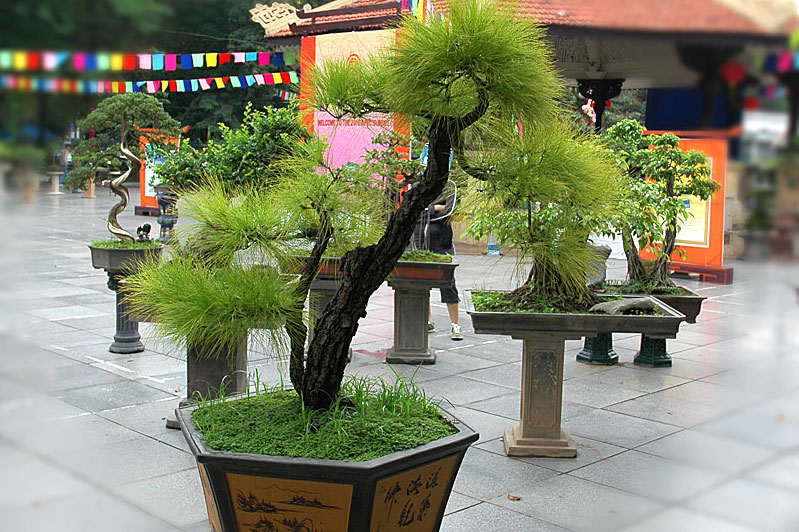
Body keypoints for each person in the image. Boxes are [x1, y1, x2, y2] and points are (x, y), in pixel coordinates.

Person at [412, 180, 463, 341]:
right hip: (420, 238)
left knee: (448, 281)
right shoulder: (417, 185)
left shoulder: (450, 187)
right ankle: (428, 320)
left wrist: (427, 212)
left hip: (442, 240)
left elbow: (448, 212)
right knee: (421, 280)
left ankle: (455, 325)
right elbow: (413, 212)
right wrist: (435, 208)